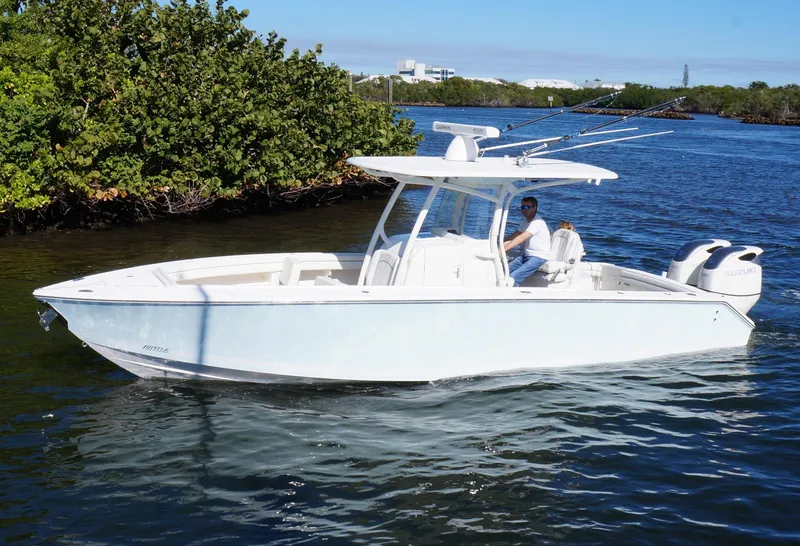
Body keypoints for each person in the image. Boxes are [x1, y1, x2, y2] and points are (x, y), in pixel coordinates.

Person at [503, 196, 551, 286]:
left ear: (534, 207)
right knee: (503, 271)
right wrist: (500, 246)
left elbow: (521, 238)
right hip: (526, 255)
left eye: (527, 207)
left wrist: (503, 250)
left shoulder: (537, 222)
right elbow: (514, 236)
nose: (524, 210)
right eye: (522, 207)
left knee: (512, 278)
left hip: (538, 257)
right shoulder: (525, 221)